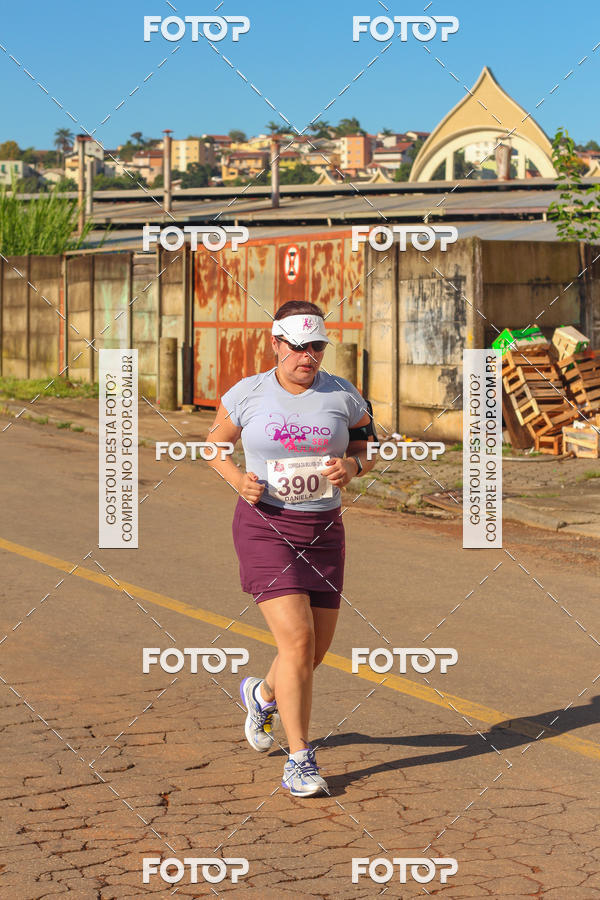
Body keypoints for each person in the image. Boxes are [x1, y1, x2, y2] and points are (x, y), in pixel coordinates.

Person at [206, 300, 377, 797]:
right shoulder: (247, 393)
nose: (307, 356)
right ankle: (300, 759)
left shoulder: (343, 394)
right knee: (298, 642)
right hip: (265, 528)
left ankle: (261, 695)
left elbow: (367, 445)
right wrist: (239, 479)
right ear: (276, 342)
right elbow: (214, 447)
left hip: (323, 530)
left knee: (313, 652)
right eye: (298, 346)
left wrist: (355, 469)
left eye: (317, 346)